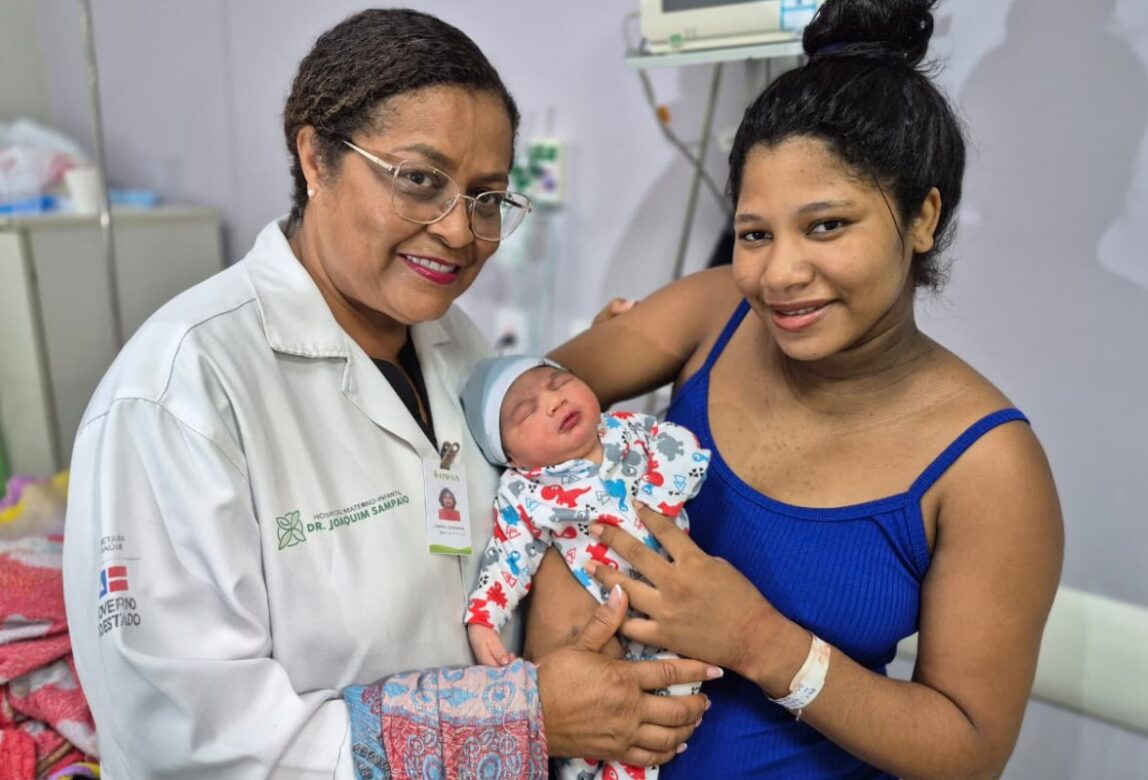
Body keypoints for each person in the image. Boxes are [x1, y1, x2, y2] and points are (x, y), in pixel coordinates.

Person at [60, 9, 714, 779]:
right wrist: (524, 718)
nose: (458, 231)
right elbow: (191, 741)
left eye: (485, 197)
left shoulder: (458, 348)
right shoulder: (180, 395)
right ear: (314, 156)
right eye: (420, 180)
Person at [528, 1, 1064, 777]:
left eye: (826, 227)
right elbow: (509, 411)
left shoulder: (990, 467)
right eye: (755, 233)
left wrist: (757, 639)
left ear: (923, 217)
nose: (778, 275)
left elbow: (968, 750)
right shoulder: (712, 313)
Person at [459, 356, 710, 780]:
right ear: (510, 455)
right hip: (600, 628)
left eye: (560, 382)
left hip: (671, 613)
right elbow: (507, 556)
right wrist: (483, 618)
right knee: (584, 733)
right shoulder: (524, 490)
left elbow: (683, 446)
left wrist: (660, 498)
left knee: (661, 710)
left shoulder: (629, 428)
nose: (554, 401)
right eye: (527, 411)